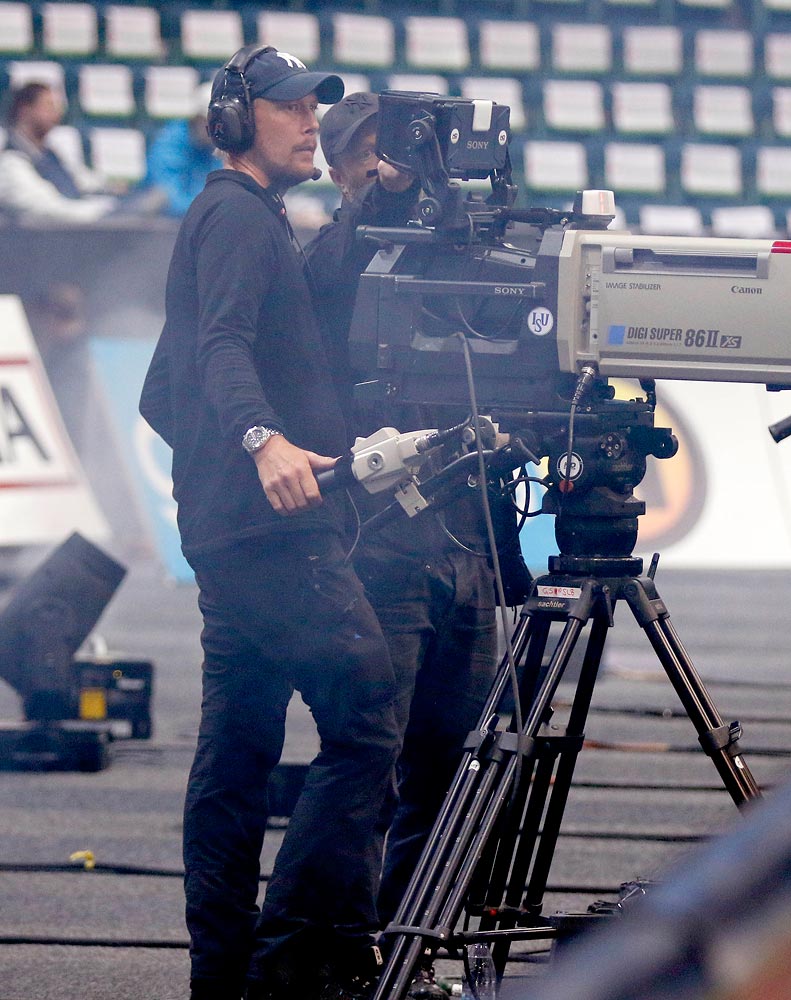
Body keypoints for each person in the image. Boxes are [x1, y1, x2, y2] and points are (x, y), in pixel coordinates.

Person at [138, 47, 399, 1000]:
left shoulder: (237, 219)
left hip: (230, 530)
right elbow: (216, 349)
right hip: (271, 532)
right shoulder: (239, 220)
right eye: (289, 108)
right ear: (237, 115)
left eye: (312, 109)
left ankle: (224, 979)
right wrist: (260, 444)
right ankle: (284, 964)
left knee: (238, 748)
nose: (308, 123)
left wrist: (213, 475)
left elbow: (159, 389)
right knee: (368, 723)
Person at [305, 91, 532, 999]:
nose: (384, 168)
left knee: (452, 762)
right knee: (370, 756)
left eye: (395, 154)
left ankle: (412, 947)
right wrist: (377, 209)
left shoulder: (458, 238)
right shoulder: (329, 247)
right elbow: (326, 292)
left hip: (470, 535)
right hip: (383, 535)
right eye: (365, 156)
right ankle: (345, 953)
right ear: (335, 168)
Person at [0, 81, 115, 223]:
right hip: (40, 240)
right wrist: (103, 212)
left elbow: (79, 180)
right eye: (48, 106)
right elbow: (49, 210)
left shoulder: (50, 154)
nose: (57, 113)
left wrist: (113, 191)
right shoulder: (9, 161)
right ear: (25, 110)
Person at [143, 83, 219, 217]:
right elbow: (169, 198)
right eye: (211, 122)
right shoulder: (169, 145)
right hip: (166, 228)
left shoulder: (218, 146)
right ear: (197, 118)